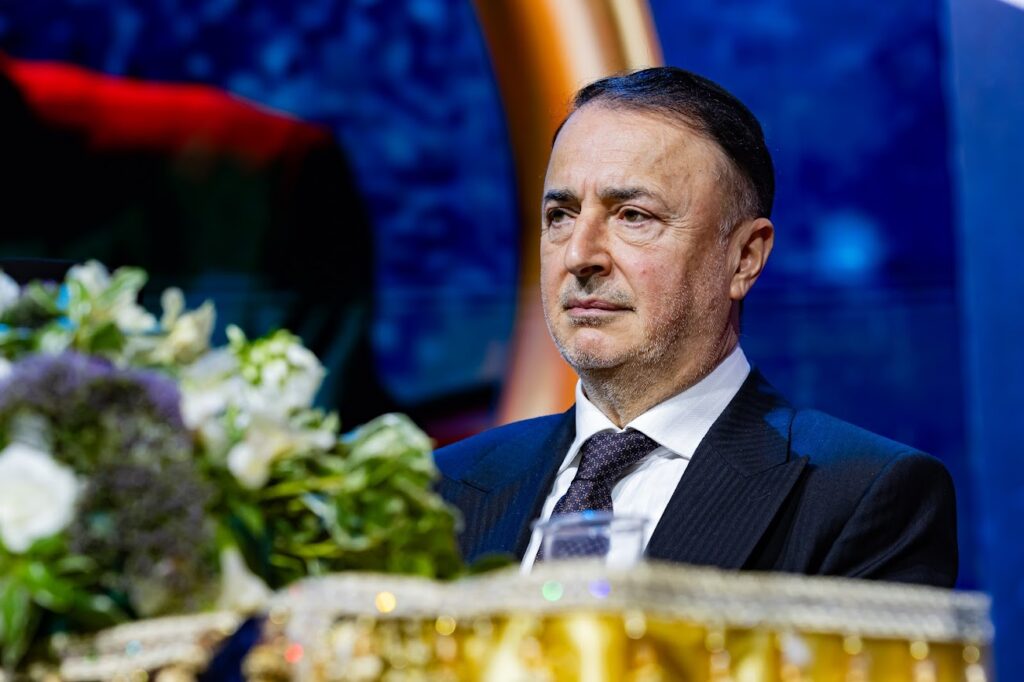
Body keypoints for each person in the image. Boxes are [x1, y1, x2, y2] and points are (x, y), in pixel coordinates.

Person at [434, 67, 957, 588]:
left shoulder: (860, 494)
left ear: (744, 257)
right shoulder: (443, 491)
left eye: (633, 215)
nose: (579, 255)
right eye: (561, 215)